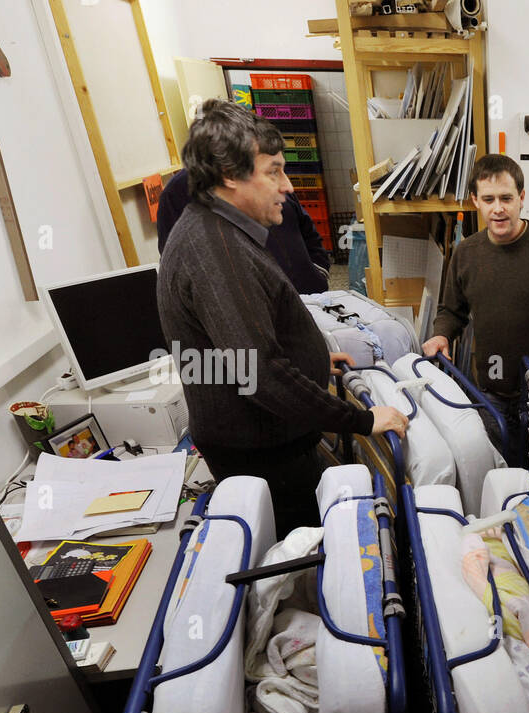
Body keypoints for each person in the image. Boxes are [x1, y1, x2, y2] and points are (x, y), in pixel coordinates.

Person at [158, 100, 407, 538]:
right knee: (305, 555)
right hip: (263, 452)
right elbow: (262, 375)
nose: (288, 186)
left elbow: (236, 349)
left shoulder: (217, 230)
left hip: (265, 439)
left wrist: (311, 361)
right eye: (273, 171)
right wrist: (363, 421)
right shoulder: (217, 252)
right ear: (230, 176)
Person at [422, 154, 529, 467]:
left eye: (506, 198)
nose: (498, 208)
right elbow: (451, 310)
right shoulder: (466, 253)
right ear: (476, 202)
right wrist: (441, 334)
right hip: (491, 390)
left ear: (521, 198)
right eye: (489, 199)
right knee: (501, 469)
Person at [157, 164, 332, 294]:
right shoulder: (179, 191)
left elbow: (306, 229)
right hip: (248, 311)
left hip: (308, 300)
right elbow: (176, 264)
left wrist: (317, 273)